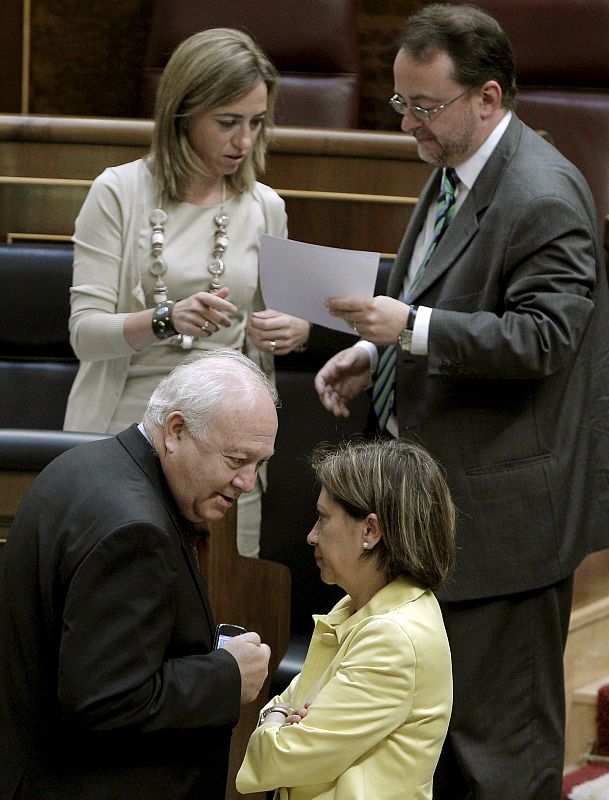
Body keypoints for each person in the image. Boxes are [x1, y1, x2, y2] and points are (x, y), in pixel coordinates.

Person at [314, 4, 609, 799]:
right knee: (441, 743)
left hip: (506, 524)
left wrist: (406, 326)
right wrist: (374, 352)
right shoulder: (453, 171)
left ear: (486, 97)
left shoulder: (542, 193)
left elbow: (545, 339)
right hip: (445, 508)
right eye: (399, 103)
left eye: (425, 105)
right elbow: (438, 301)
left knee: (499, 750)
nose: (408, 121)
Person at [62, 27, 310, 558]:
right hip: (123, 429)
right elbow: (84, 334)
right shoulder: (118, 193)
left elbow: (275, 328)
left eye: (256, 122)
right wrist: (165, 318)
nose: (244, 141)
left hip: (226, 443)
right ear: (182, 114)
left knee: (219, 608)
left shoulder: (267, 207)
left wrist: (293, 330)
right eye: (227, 123)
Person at [0, 348, 278, 800]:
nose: (247, 482)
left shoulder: (84, 465)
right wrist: (227, 675)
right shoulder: (136, 533)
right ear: (176, 431)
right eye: (235, 460)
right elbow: (104, 702)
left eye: (259, 465)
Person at [236, 438, 455, 800]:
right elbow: (283, 708)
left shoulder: (393, 637)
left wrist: (274, 720)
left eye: (323, 519)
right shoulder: (353, 609)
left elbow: (274, 758)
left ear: (370, 530)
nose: (311, 536)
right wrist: (280, 715)